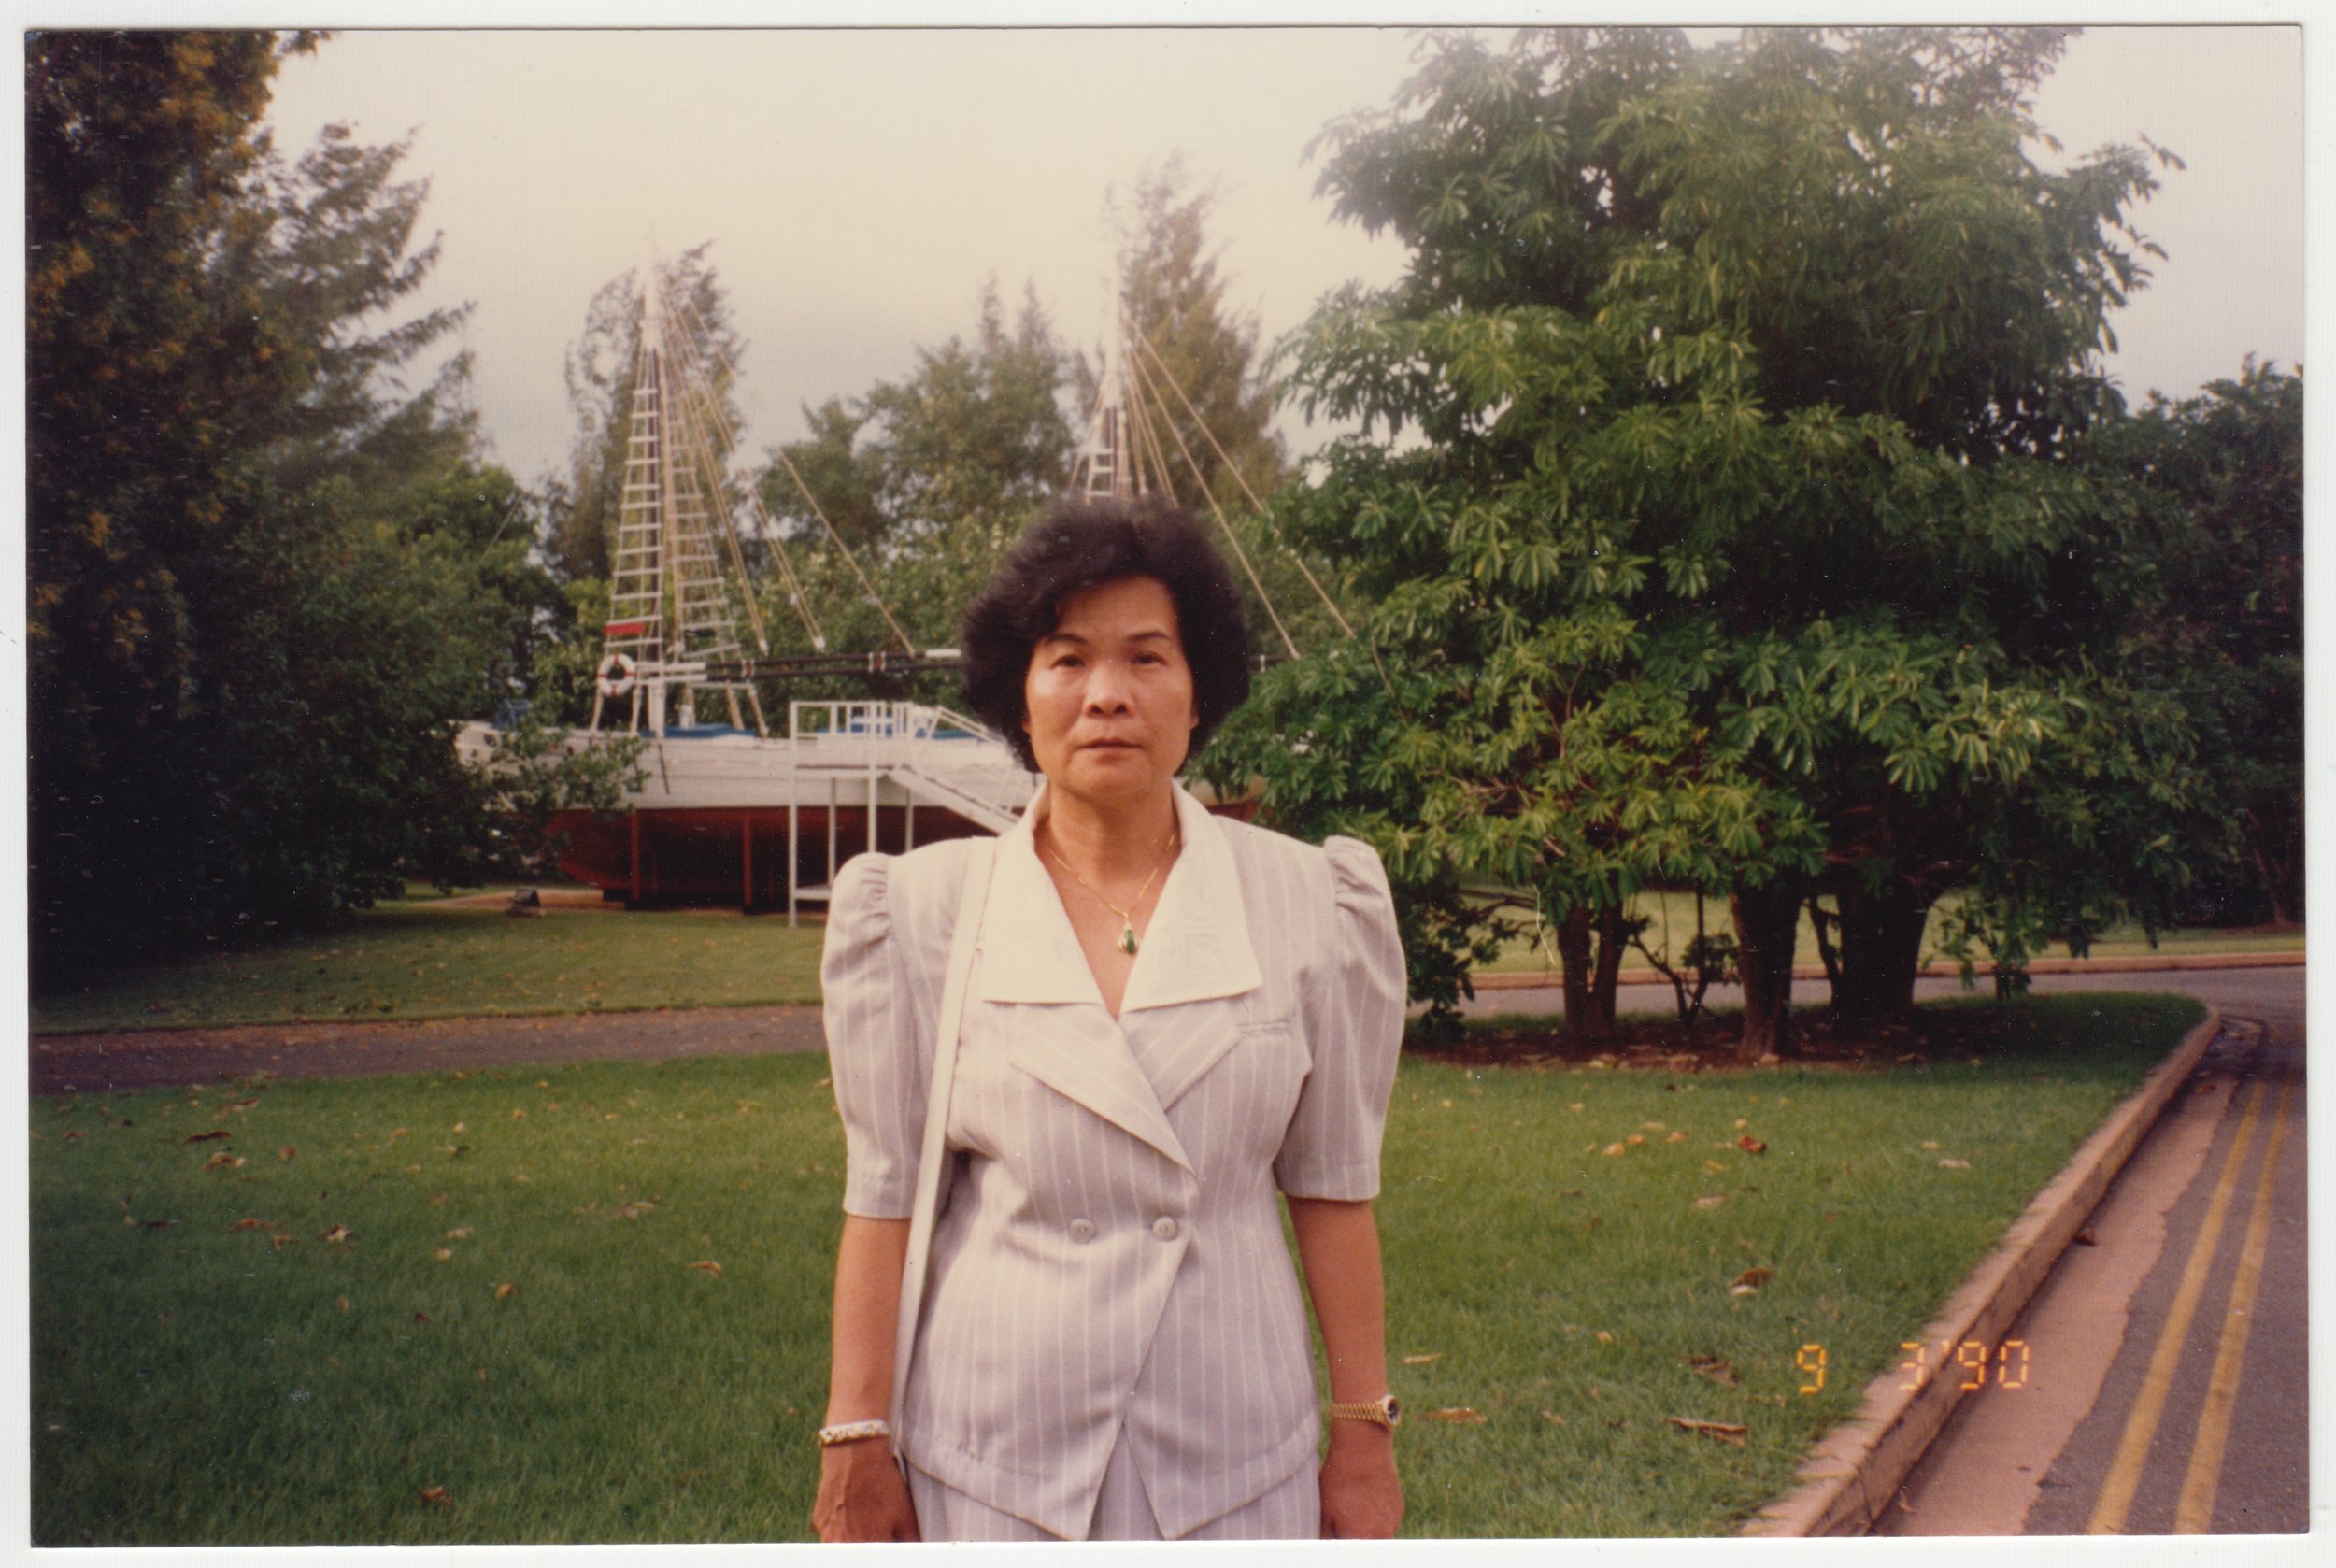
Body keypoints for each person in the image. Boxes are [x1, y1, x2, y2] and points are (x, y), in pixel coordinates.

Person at [810, 497, 1407, 1542]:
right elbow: (886, 1194)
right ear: (1021, 694)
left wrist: (1363, 1432)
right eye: (1067, 659)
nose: (1106, 697)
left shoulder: (1314, 901)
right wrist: (855, 1434)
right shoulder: (916, 911)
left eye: (1146, 658)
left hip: (1233, 1445)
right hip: (995, 1459)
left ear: (1197, 692)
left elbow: (1333, 1189)